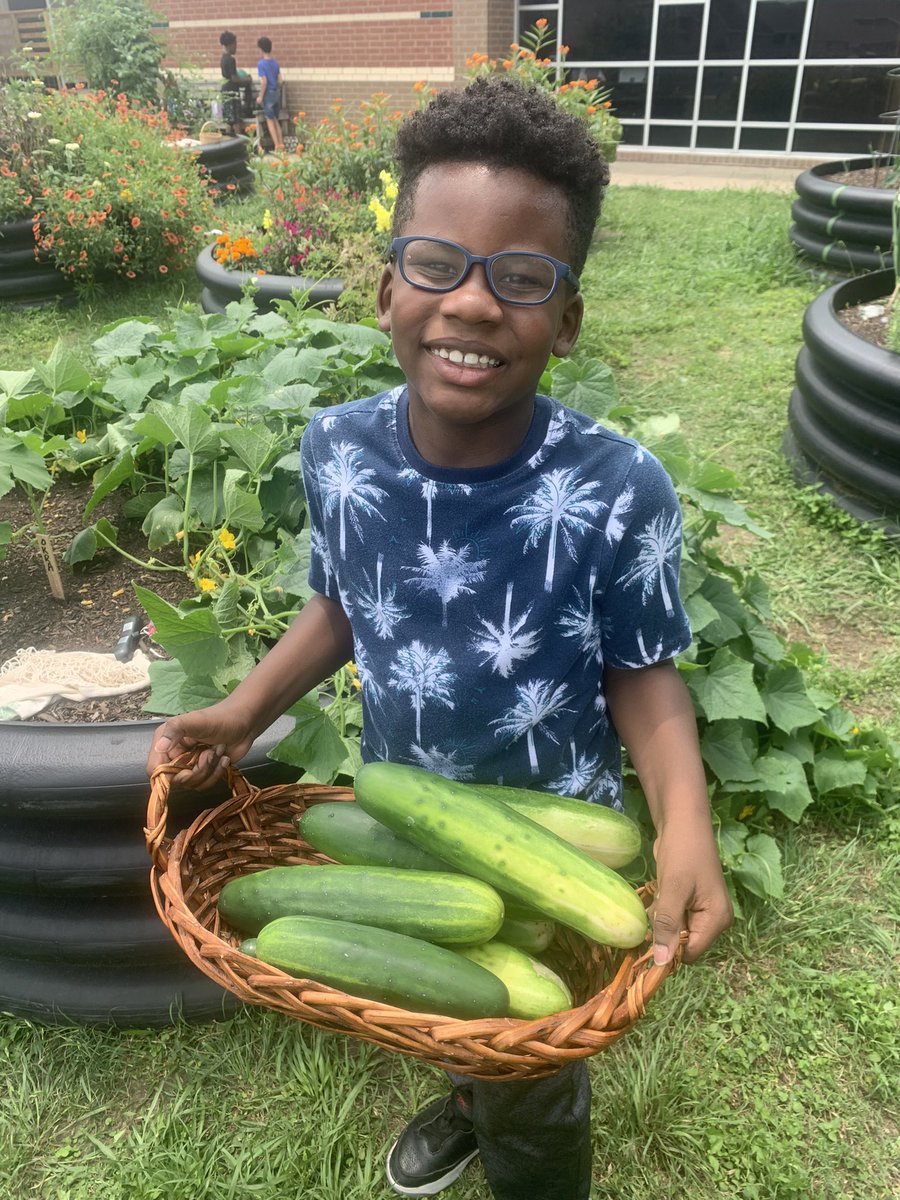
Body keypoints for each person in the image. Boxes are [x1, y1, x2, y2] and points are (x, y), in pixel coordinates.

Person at [146, 75, 733, 1200]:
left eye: (520, 279)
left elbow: (644, 676)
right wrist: (244, 711)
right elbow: (339, 604)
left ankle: (531, 1162)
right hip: (407, 805)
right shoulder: (338, 449)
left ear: (565, 322)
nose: (470, 304)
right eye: (435, 264)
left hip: (559, 837)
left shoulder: (620, 488)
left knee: (536, 1048)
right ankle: (466, 1098)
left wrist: (687, 825)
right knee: (444, 992)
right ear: (385, 288)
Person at [218, 30, 252, 137]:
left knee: (229, 119)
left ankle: (228, 139)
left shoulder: (223, 58)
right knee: (236, 120)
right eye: (235, 44)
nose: (236, 47)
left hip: (225, 90)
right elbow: (234, 78)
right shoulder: (231, 59)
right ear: (229, 45)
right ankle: (240, 140)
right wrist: (247, 80)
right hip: (232, 91)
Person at [255, 36, 285, 154]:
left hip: (268, 94)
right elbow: (281, 80)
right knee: (276, 120)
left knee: (269, 120)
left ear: (261, 49)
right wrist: (278, 89)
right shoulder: (275, 63)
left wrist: (260, 96)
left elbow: (264, 81)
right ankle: (282, 145)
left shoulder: (261, 64)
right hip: (276, 92)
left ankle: (277, 146)